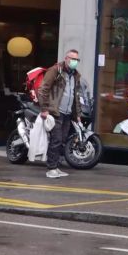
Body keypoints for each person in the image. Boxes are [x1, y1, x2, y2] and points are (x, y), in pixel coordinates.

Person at [37, 49, 82, 179]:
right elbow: (43, 89)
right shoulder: (55, 70)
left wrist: (77, 114)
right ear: (66, 58)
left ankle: (56, 167)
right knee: (56, 140)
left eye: (77, 60)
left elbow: (76, 95)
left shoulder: (76, 75)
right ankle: (51, 168)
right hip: (55, 111)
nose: (75, 62)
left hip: (67, 113)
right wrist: (44, 108)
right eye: (73, 59)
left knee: (62, 140)